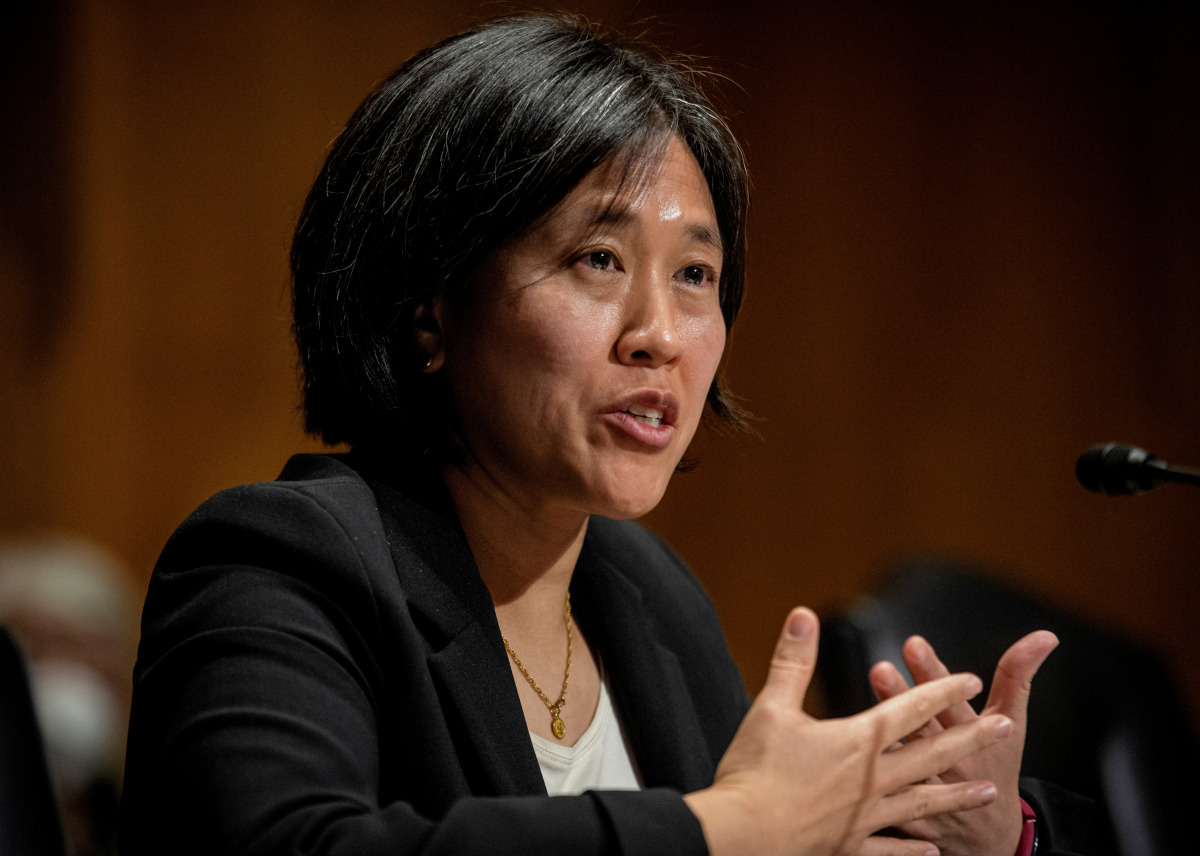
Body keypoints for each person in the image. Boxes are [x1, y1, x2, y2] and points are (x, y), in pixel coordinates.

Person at [119, 13, 1090, 856]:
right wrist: (728, 826)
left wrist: (981, 832)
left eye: (695, 275)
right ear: (429, 309)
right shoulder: (282, 561)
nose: (660, 335)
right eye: (598, 257)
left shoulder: (643, 594)